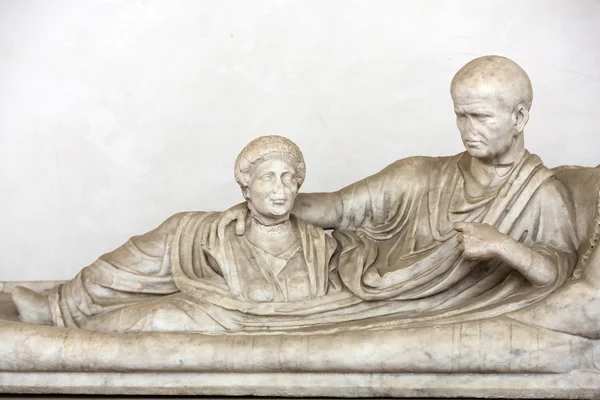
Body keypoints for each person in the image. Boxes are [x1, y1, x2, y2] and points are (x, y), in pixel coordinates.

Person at [212, 55, 578, 324]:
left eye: (480, 117)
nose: (467, 129)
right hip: (351, 272)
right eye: (460, 115)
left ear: (519, 117)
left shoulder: (541, 194)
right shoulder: (418, 175)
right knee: (208, 246)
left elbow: (557, 274)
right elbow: (336, 208)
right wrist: (255, 208)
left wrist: (502, 245)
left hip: (397, 301)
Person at [11, 136, 344, 332]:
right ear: (246, 188)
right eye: (267, 178)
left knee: (158, 317)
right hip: (201, 246)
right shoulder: (209, 232)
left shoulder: (318, 245)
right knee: (139, 258)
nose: (280, 189)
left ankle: (77, 323)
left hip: (234, 316)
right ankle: (59, 307)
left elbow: (340, 212)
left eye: (288, 178)